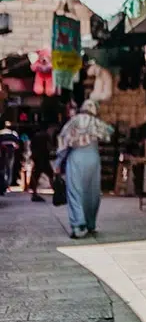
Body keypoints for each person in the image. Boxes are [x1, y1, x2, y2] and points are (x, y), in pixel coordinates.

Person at [55, 100, 114, 239]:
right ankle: (90, 223)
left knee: (75, 191)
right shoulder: (96, 122)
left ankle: (78, 224)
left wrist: (58, 163)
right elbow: (110, 132)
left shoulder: (73, 122)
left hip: (76, 158)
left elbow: (63, 142)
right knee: (92, 193)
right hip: (93, 158)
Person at [29, 124, 57, 202]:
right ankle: (56, 191)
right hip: (44, 157)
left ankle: (34, 194)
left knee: (35, 176)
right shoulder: (46, 135)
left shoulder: (35, 136)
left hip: (37, 158)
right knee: (50, 174)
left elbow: (31, 146)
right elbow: (50, 146)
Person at [0, 122, 21, 191]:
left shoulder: (2, 132)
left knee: (4, 168)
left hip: (5, 152)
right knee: (9, 168)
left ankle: (5, 185)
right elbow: (17, 144)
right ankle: (6, 185)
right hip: (9, 152)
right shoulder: (14, 133)